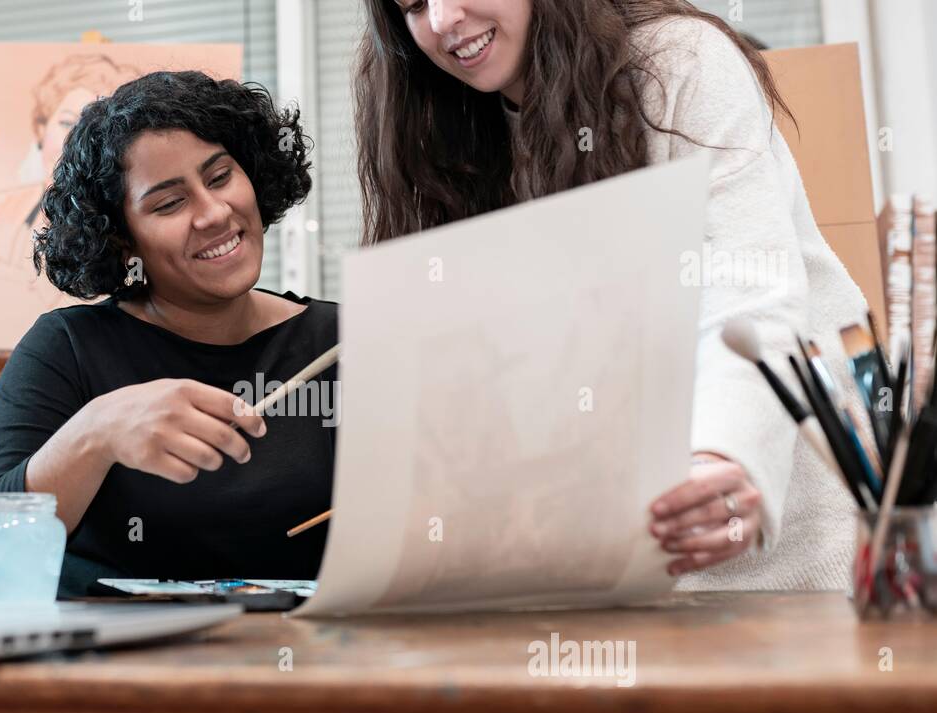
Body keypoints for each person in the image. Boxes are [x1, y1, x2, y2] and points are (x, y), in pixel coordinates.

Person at [355, 0, 869, 589]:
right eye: (414, 5)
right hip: (624, 559)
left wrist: (726, 456)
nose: (444, 20)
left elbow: (746, 291)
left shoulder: (679, 62)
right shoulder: (445, 130)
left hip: (793, 538)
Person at [0, 70, 337, 596]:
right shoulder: (67, 349)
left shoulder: (341, 340)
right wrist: (97, 433)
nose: (214, 212)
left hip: (310, 663)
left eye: (221, 176)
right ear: (122, 240)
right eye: (169, 203)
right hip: (116, 669)